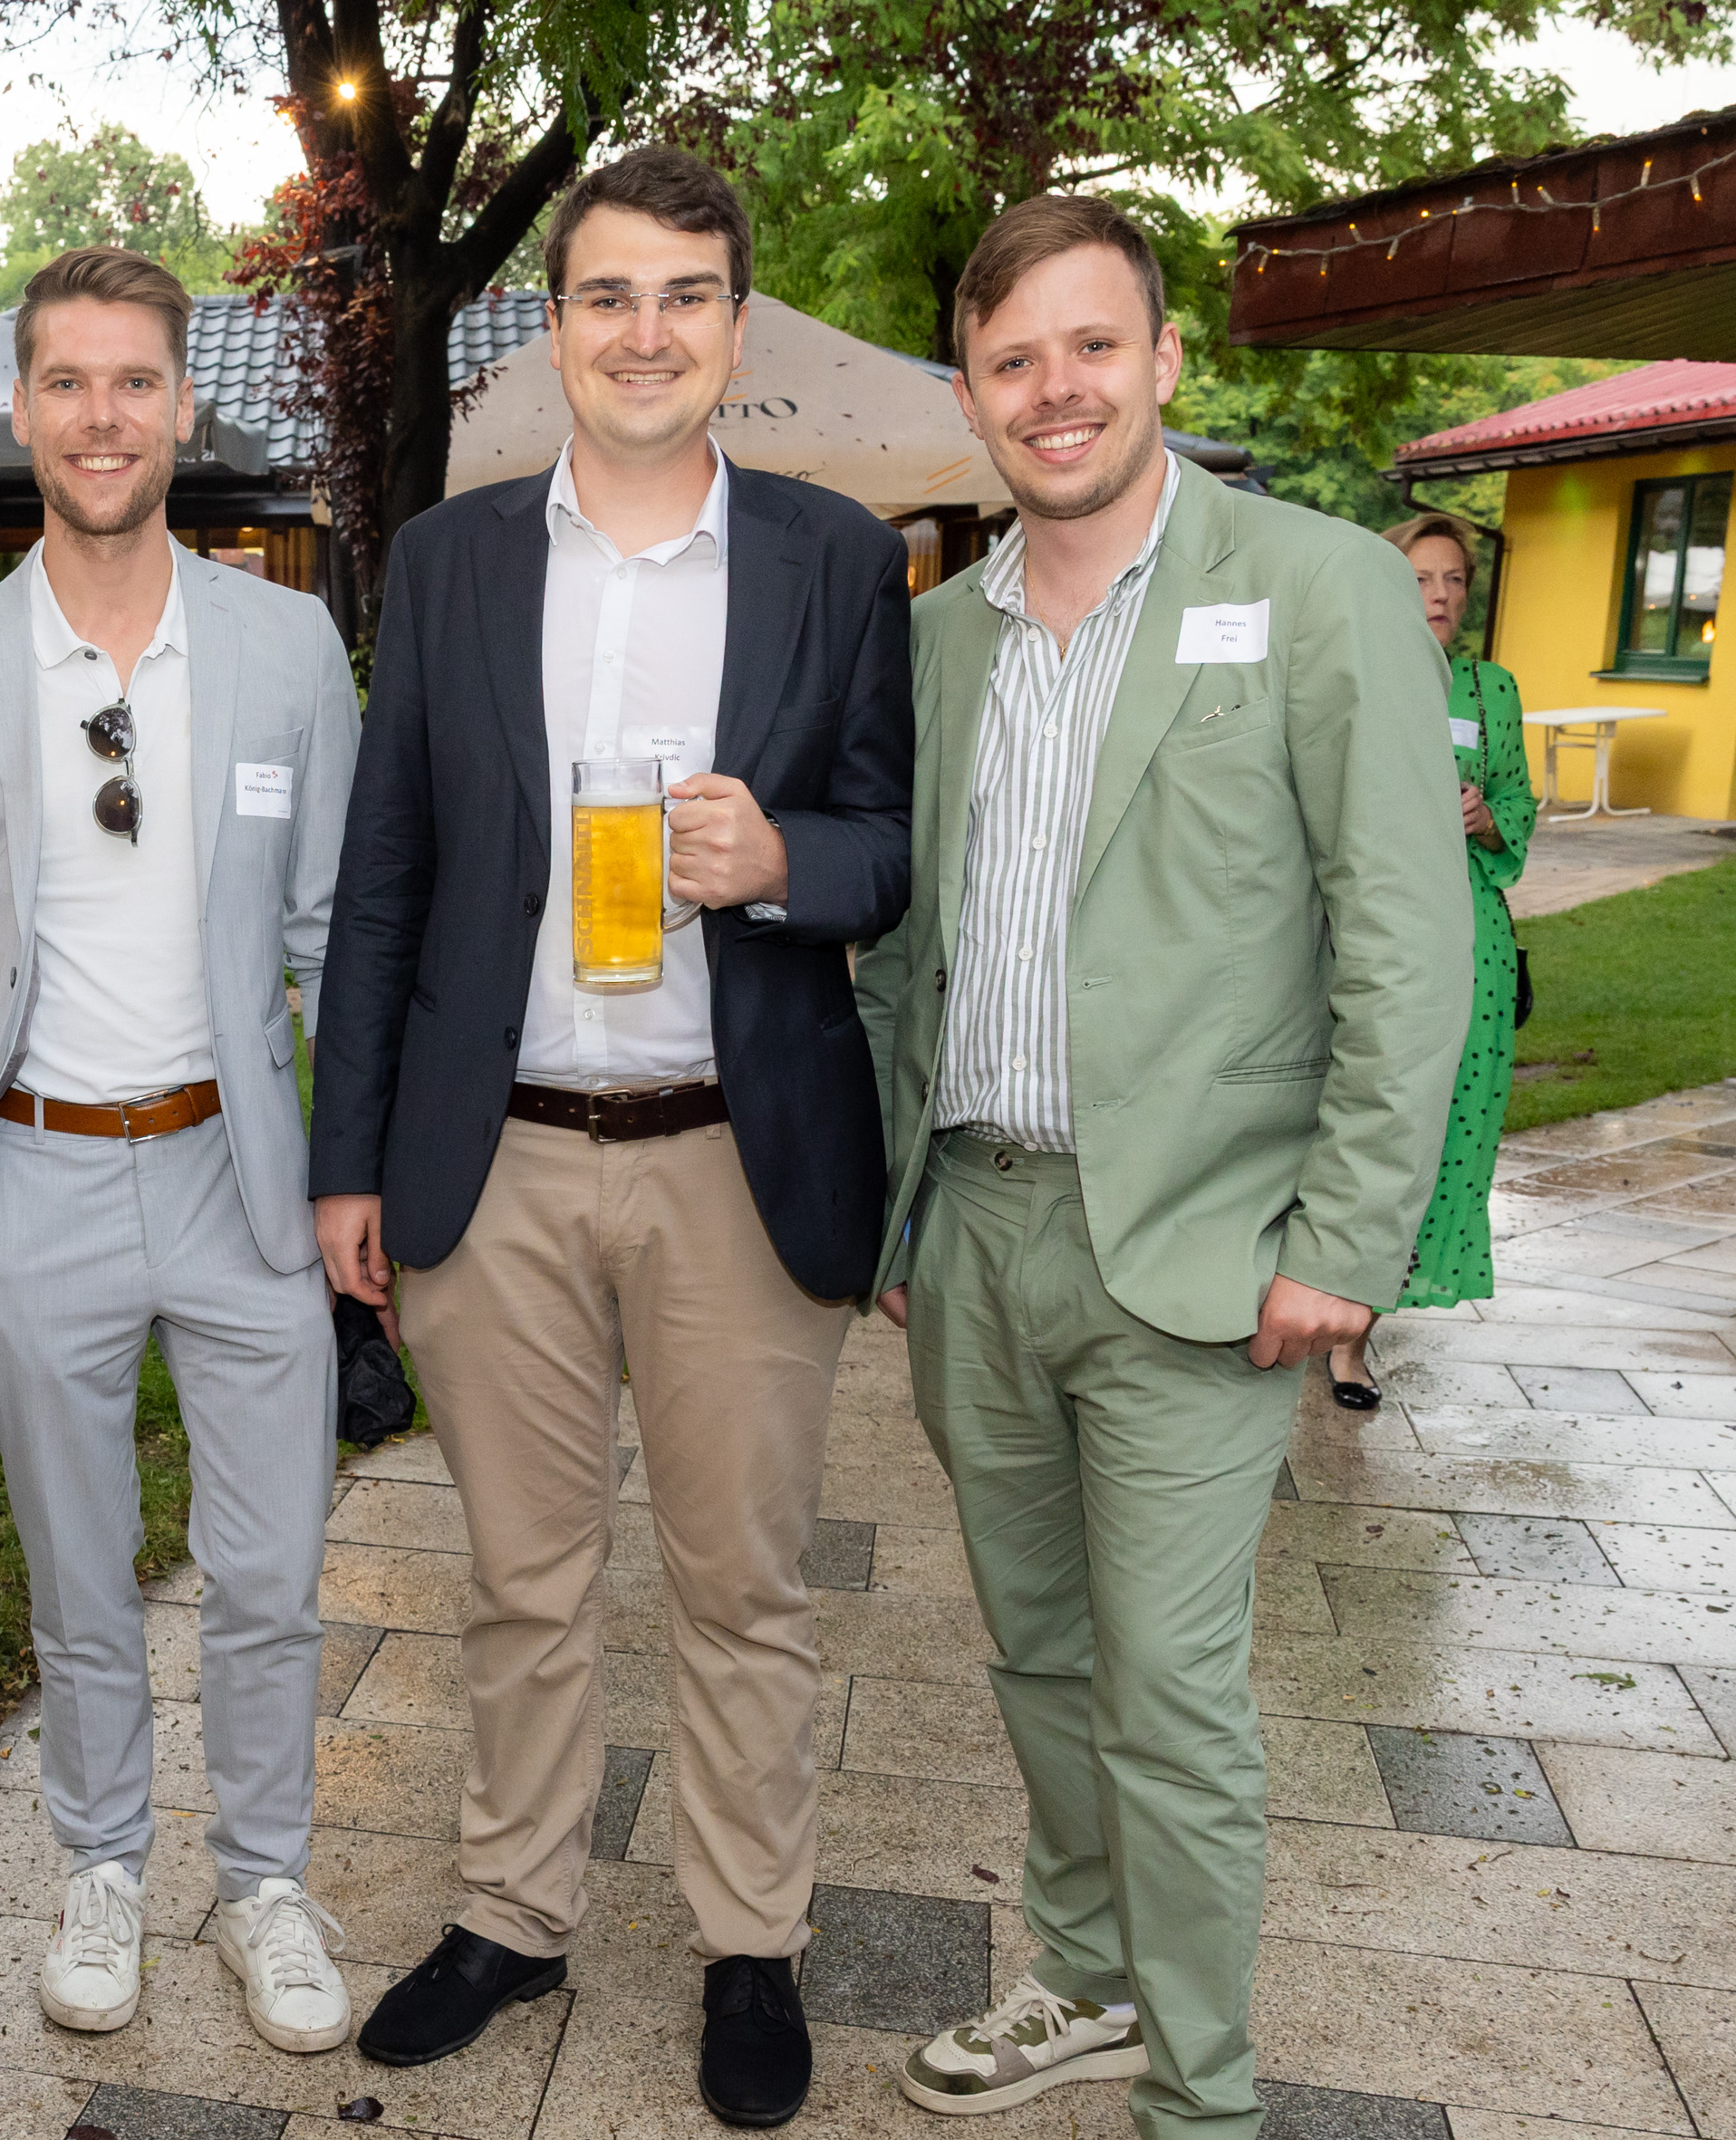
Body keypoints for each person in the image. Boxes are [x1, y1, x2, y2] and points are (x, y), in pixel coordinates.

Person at [310, 145, 913, 2125]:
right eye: (605, 296)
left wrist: (786, 860)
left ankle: (750, 1940)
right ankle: (513, 1911)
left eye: (682, 296)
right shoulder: (454, 560)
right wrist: (347, 1159)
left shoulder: (836, 557)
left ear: (734, 325)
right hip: (495, 1158)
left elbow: (887, 844)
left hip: (737, 1152)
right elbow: (385, 880)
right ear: (554, 327)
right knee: (520, 1578)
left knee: (742, 1584)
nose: (643, 332)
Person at [855, 196, 1468, 2138]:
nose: (1054, 390)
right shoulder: (933, 636)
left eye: (1089, 345)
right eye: (1011, 358)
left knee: (1171, 1692)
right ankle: (1088, 1974)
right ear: (971, 394)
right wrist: (895, 1201)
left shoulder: (1312, 586)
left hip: (1203, 1250)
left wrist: (1344, 1237)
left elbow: (1404, 936)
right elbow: (905, 945)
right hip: (976, 1229)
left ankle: (1201, 2095)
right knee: (1038, 1656)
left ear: (1163, 358)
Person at [0, 245, 361, 2056]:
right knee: (77, 1577)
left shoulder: (283, 645)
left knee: (269, 1574)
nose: (101, 417)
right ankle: (98, 1867)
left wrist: (349, 1168)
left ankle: (265, 1883)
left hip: (243, 1180)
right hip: (32, 1181)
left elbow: (332, 932)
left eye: (134, 382)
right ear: (22, 409)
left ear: (182, 407)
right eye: (68, 382)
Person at [1325, 515, 1535, 1406]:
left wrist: (1488, 817)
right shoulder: (1347, 672)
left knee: (1440, 1132)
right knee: (1347, 1119)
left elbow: (1520, 803)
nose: (1440, 595)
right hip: (1359, 928)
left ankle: (1352, 1338)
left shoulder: (1491, 690)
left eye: (1453, 579)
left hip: (1469, 938)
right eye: (1420, 578)